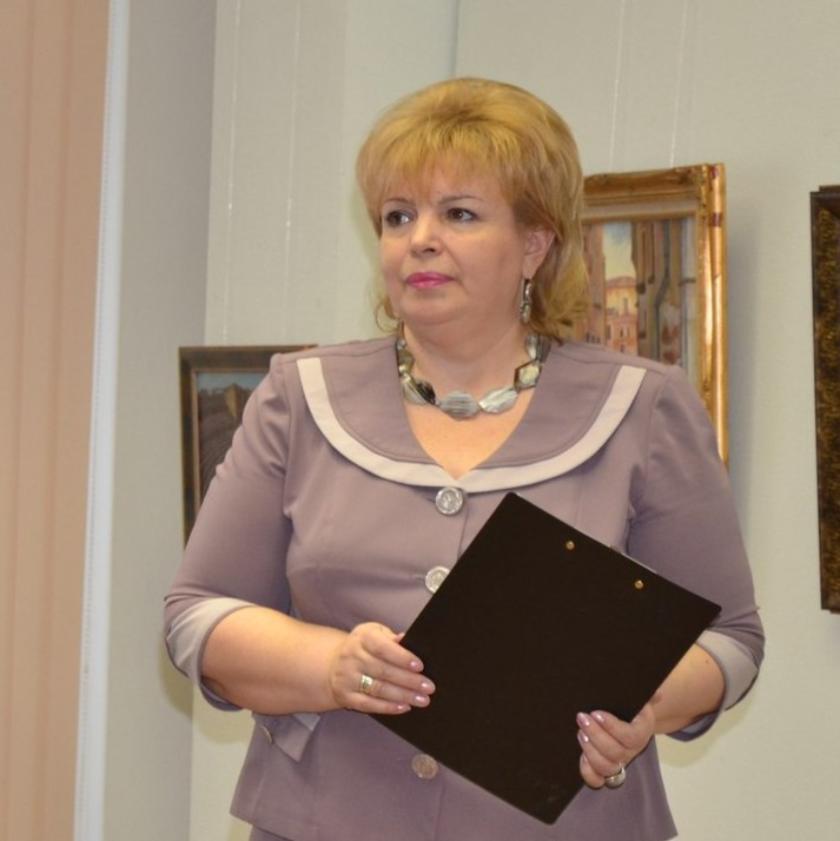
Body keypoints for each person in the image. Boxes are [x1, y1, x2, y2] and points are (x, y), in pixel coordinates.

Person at [164, 78, 764, 841]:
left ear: (535, 244)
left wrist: (646, 704)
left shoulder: (643, 407)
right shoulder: (299, 397)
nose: (420, 238)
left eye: (459, 214)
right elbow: (196, 615)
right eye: (398, 216)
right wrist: (331, 664)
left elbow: (730, 640)